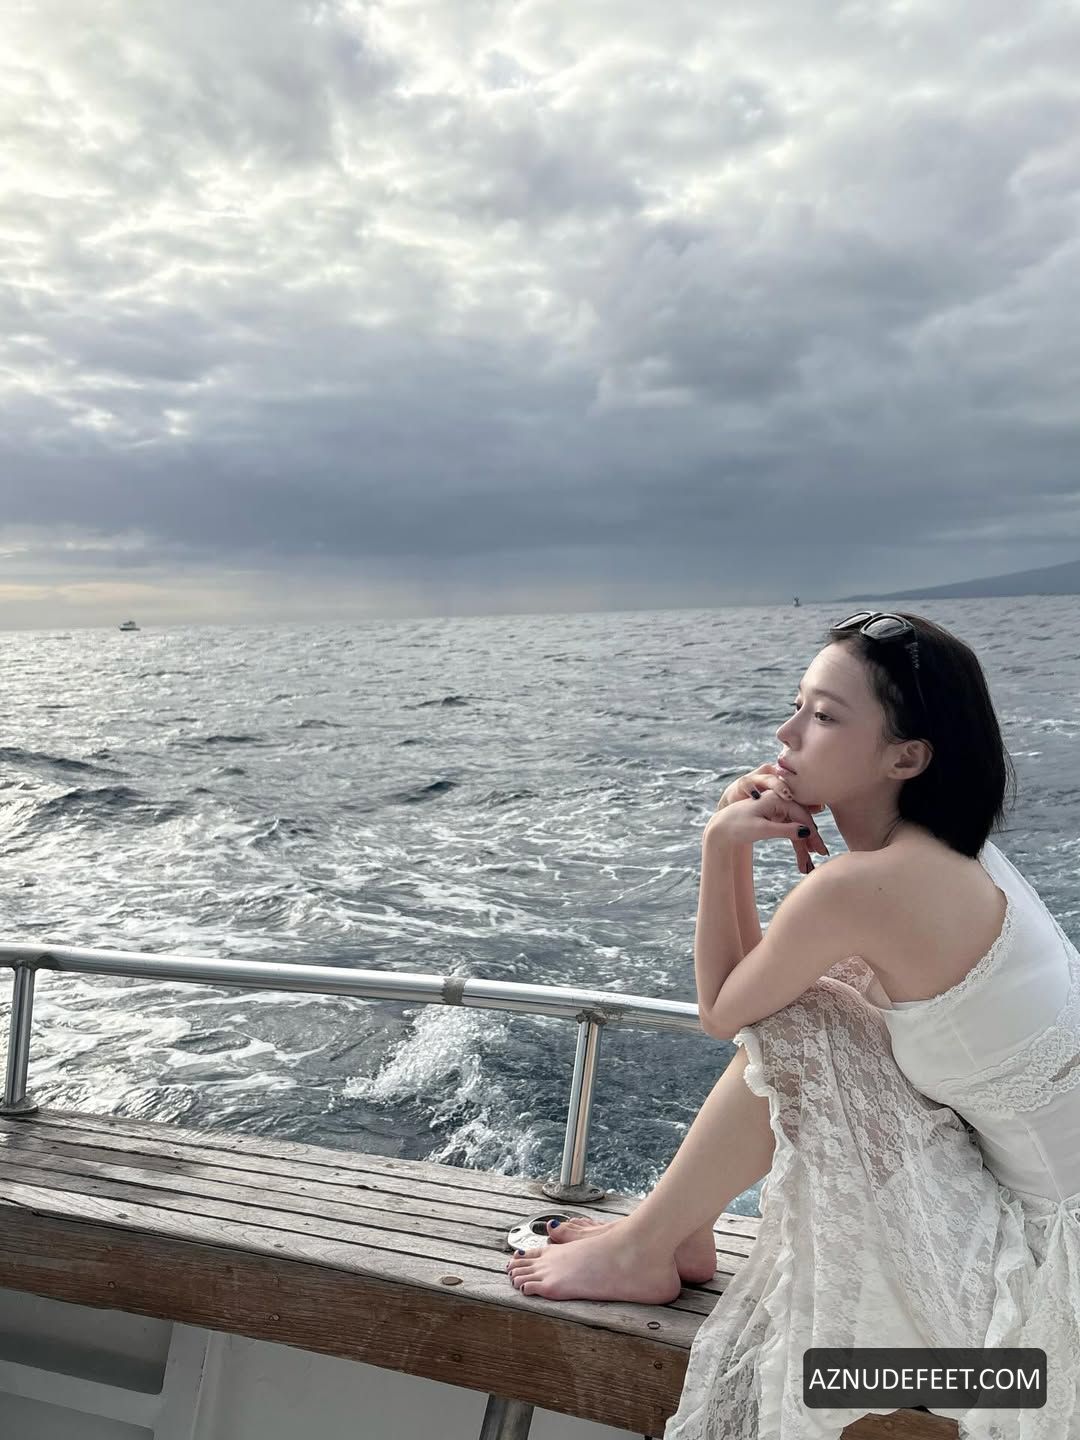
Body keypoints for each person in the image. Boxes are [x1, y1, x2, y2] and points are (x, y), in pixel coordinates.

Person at [507, 611, 1080, 1438]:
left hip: (1042, 1311)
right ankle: (670, 1232)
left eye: (824, 716)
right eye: (798, 704)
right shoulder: (955, 856)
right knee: (816, 1007)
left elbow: (725, 1011)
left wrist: (722, 845)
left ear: (907, 758)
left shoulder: (870, 885)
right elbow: (755, 999)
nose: (786, 733)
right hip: (1036, 1224)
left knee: (810, 1019)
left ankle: (651, 1245)